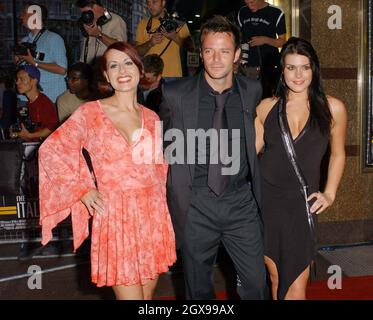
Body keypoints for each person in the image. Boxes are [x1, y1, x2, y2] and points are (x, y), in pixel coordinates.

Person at [38, 41, 176, 300]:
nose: (122, 70)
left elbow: (160, 171)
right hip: (116, 218)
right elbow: (51, 150)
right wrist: (82, 189)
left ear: (139, 68)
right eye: (114, 65)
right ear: (107, 75)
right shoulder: (90, 113)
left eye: (127, 63)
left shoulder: (152, 117)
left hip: (152, 217)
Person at [159, 15, 266, 300]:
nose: (216, 59)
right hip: (196, 203)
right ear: (200, 53)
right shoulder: (175, 93)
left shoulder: (252, 91)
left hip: (241, 202)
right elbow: (160, 146)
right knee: (198, 289)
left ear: (237, 55)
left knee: (256, 284)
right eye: (209, 50)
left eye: (224, 51)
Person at [255, 37, 347, 300]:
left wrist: (329, 193)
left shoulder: (333, 108)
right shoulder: (265, 108)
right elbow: (248, 157)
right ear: (282, 70)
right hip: (268, 201)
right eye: (291, 67)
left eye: (304, 67)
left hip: (302, 203)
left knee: (296, 283)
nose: (298, 75)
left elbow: (338, 154)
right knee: (274, 278)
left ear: (313, 69)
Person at [16, 2, 67, 103]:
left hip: (50, 98)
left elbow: (62, 70)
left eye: (24, 13)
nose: (21, 16)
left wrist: (34, 63)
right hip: (26, 98)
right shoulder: (24, 41)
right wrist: (18, 61)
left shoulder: (54, 39)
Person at [237, 0, 286, 98]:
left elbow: (283, 42)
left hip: (268, 67)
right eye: (247, 3)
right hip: (247, 67)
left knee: (266, 100)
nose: (250, 6)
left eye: (252, 2)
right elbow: (239, 39)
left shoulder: (276, 12)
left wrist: (265, 40)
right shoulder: (242, 12)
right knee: (247, 100)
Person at [136, 0, 193, 79]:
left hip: (173, 77)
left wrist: (174, 36)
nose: (150, 6)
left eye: (154, 2)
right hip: (150, 76)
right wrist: (150, 43)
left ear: (163, 3)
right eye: (148, 3)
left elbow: (191, 48)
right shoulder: (142, 24)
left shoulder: (178, 22)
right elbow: (137, 52)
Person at [10, 65, 58, 141]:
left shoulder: (44, 103)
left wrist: (30, 136)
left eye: (22, 79)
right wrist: (16, 133)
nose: (17, 82)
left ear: (34, 81)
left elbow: (51, 129)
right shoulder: (29, 104)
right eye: (17, 79)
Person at [75, 0, 128, 65]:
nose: (85, 16)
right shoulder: (88, 22)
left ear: (95, 7)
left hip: (105, 70)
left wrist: (98, 35)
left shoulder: (115, 20)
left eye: (86, 13)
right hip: (88, 71)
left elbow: (120, 47)